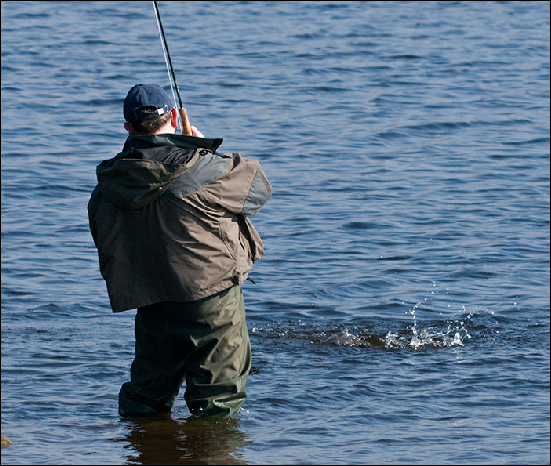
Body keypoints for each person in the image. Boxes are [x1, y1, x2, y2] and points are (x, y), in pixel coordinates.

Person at [88, 84, 272, 418]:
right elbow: (258, 191)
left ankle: (143, 448)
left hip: (152, 299)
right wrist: (204, 150)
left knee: (146, 396)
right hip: (211, 300)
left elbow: (102, 234)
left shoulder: (109, 183)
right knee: (218, 401)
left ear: (128, 127)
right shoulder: (204, 167)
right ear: (174, 117)